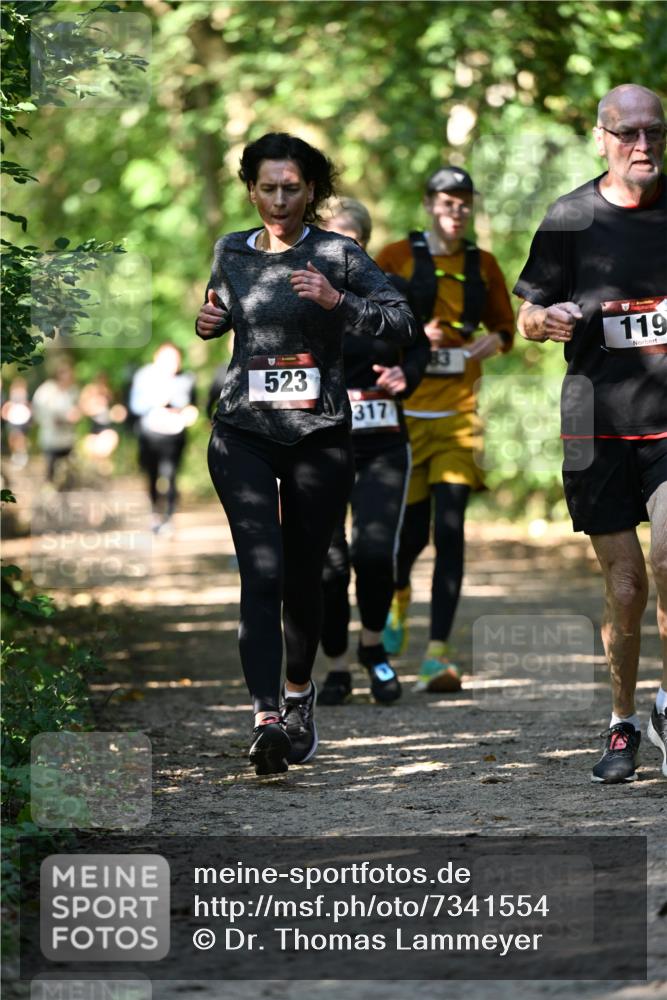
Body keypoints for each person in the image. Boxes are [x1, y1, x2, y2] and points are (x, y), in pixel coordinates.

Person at [196, 133, 417, 775]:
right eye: (267, 187)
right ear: (251, 188)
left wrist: (338, 302)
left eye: (292, 187)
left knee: (306, 573)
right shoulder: (231, 251)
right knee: (261, 571)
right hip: (242, 430)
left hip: (318, 435)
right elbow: (221, 313)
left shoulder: (337, 254)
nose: (279, 199)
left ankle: (300, 694)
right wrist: (210, 323)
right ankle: (266, 718)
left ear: (312, 190)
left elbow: (400, 323)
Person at [515, 84, 667, 784]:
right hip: (594, 427)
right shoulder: (569, 217)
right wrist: (540, 322)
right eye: (628, 134)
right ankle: (621, 722)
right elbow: (526, 313)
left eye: (654, 133)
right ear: (600, 137)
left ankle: (666, 705)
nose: (643, 147)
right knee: (627, 585)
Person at [376, 167, 514, 692]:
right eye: (446, 202)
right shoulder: (393, 257)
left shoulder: (484, 264)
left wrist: (492, 343)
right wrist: (416, 330)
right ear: (428, 203)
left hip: (459, 415)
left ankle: (438, 654)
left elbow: (506, 329)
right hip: (406, 417)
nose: (456, 212)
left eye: (464, 204)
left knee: (451, 528)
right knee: (410, 534)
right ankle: (396, 593)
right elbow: (369, 322)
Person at [318, 197, 430, 705]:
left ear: (365, 244)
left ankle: (374, 652)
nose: (343, 254)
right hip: (318, 442)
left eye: (353, 244)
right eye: (333, 242)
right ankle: (337, 662)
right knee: (330, 564)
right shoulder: (302, 293)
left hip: (384, 441)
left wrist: (408, 374)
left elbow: (420, 345)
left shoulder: (391, 292)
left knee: (374, 552)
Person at [128, 343, 197, 534]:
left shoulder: (186, 378)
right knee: (151, 475)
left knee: (171, 476)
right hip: (150, 435)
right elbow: (135, 406)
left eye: (175, 359)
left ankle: (169, 517)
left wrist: (189, 413)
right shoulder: (144, 376)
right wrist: (155, 402)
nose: (172, 364)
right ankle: (154, 513)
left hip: (175, 436)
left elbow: (192, 405)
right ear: (157, 358)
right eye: (167, 359)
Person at [31, 361, 81, 484]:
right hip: (51, 437)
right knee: (51, 468)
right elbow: (39, 411)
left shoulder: (72, 391)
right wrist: (57, 418)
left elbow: (77, 408)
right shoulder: (46, 391)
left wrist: (75, 415)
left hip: (68, 437)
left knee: (68, 467)